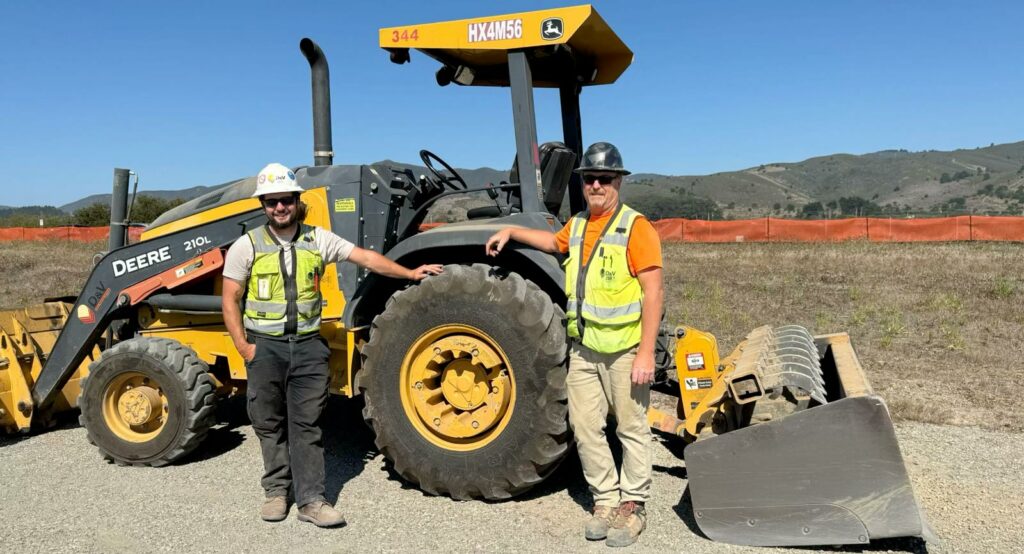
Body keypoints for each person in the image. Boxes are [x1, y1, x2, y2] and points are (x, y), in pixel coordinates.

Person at [222, 163, 442, 527]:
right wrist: (245, 348)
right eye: (272, 202)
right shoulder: (246, 247)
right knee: (269, 423)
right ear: (263, 205)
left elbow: (366, 258)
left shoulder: (317, 239)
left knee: (307, 425)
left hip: (308, 346)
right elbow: (230, 299)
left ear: (296, 201)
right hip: (266, 349)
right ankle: (277, 492)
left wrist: (409, 273)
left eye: (286, 200)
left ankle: (311, 501)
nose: (280, 208)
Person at [485, 142, 663, 547]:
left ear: (619, 182)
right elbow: (552, 244)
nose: (596, 185)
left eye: (605, 179)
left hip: (624, 350)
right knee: (585, 428)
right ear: (582, 184)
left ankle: (633, 505)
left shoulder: (636, 228)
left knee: (632, 429)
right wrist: (511, 230)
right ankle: (605, 499)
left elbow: (654, 292)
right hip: (584, 349)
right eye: (590, 179)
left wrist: (646, 352)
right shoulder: (580, 223)